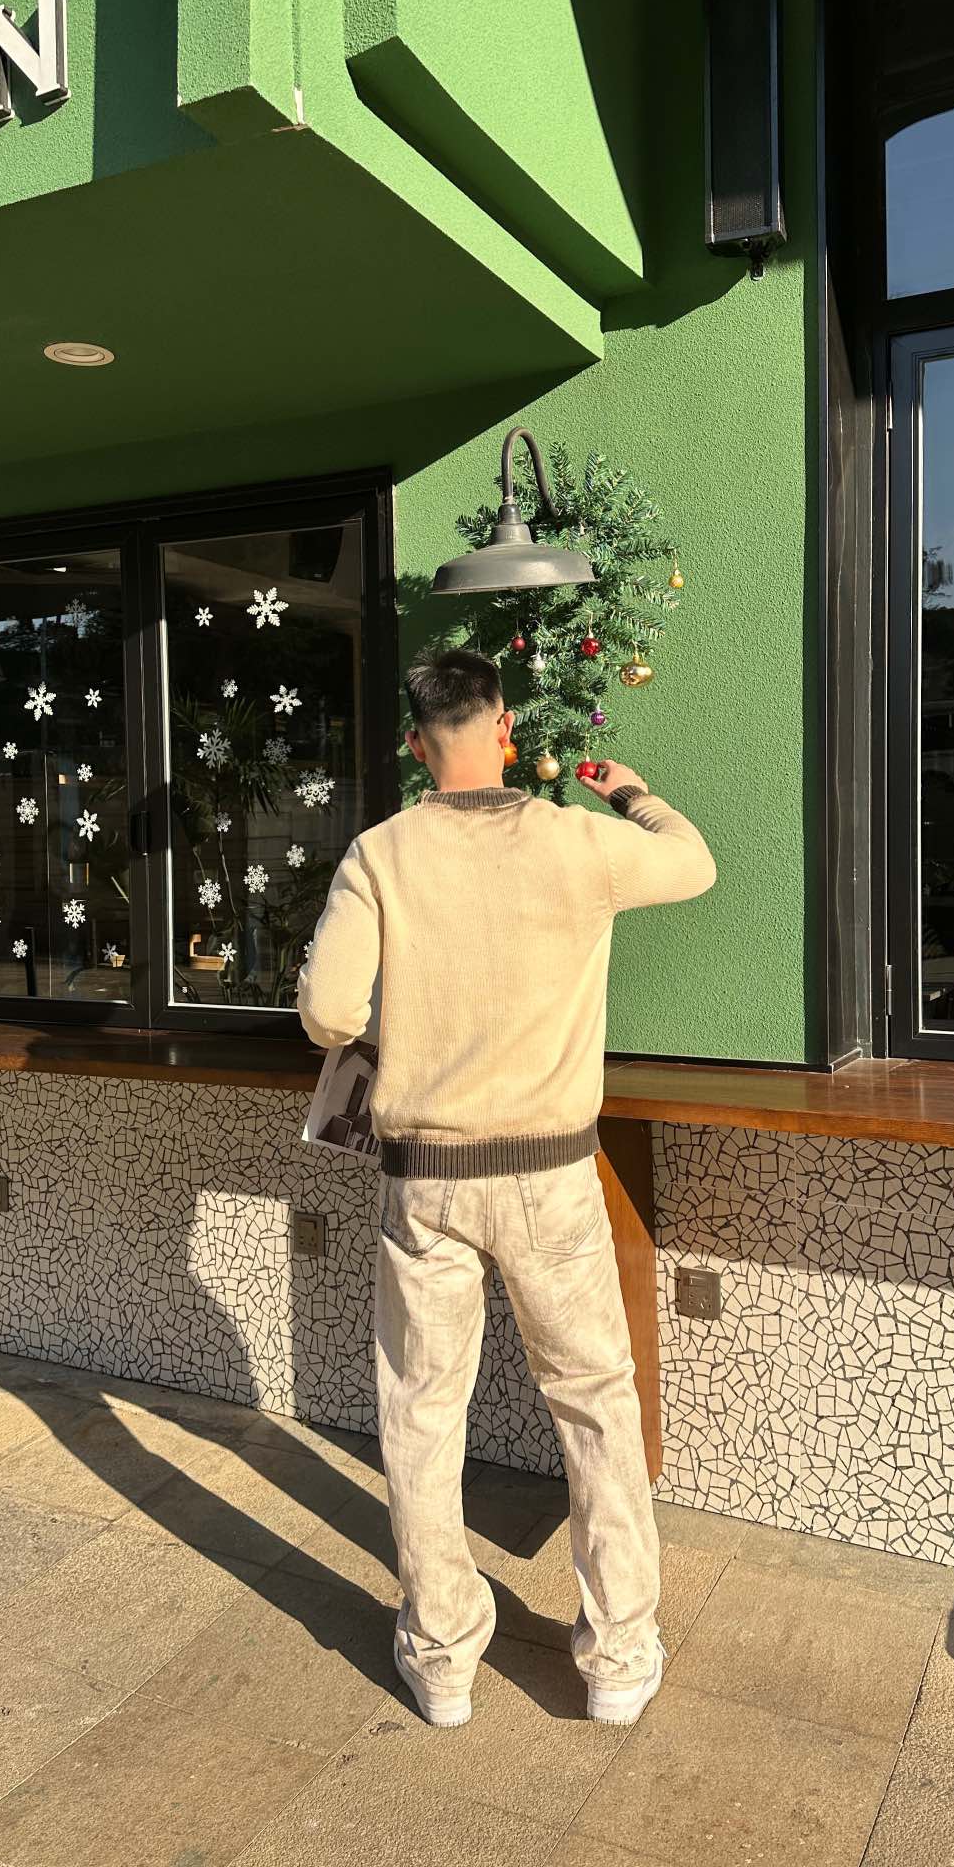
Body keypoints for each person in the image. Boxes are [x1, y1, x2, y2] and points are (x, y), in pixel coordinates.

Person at [297, 647, 716, 1730]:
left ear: (415, 742)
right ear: (505, 729)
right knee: (595, 1405)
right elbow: (694, 865)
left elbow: (329, 1014)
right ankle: (617, 1658)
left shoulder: (381, 852)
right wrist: (632, 793)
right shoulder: (578, 842)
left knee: (422, 1415)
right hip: (549, 1177)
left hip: (426, 1185)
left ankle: (442, 1660)